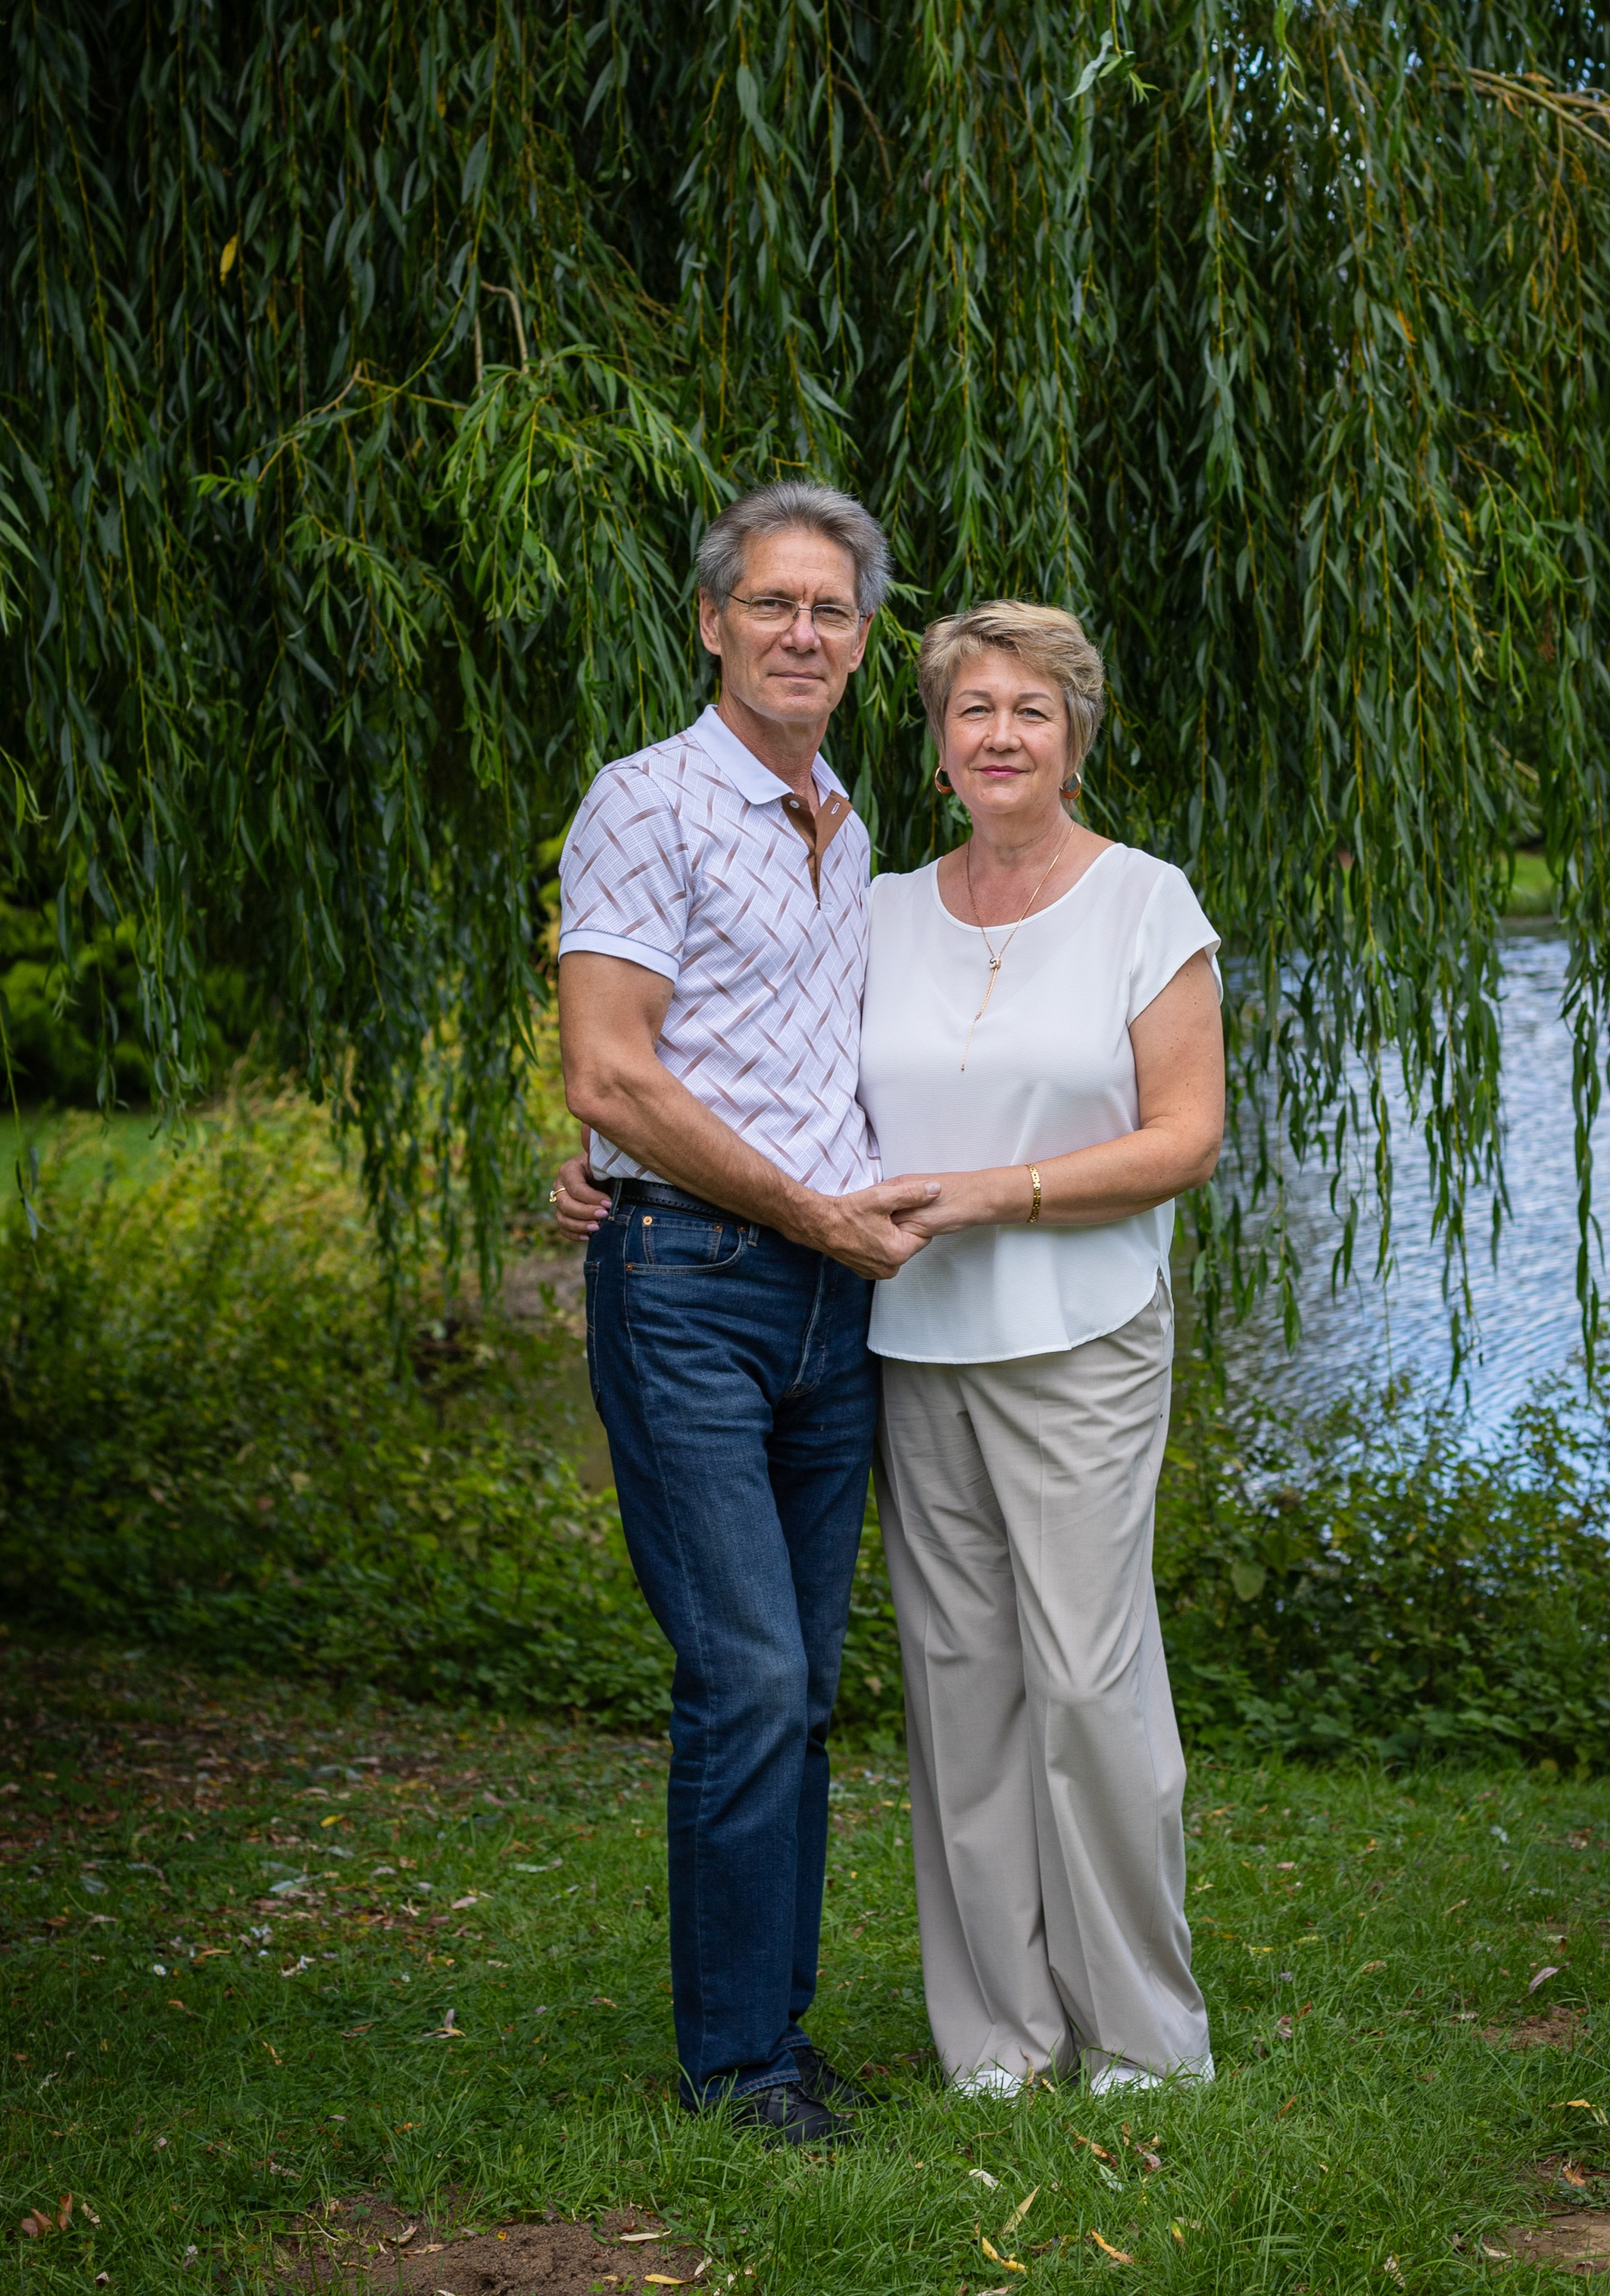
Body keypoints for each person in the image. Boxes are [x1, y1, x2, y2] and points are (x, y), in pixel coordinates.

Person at [554, 478, 938, 2146]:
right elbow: (612, 1068)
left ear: (860, 644)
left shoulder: (846, 822)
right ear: (711, 621)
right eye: (770, 604)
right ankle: (734, 2070)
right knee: (747, 1675)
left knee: (804, 1685)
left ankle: (772, 2035)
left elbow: (786, 1064)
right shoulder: (645, 800)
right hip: (697, 1291)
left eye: (830, 611)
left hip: (827, 1312)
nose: (801, 632)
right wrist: (756, 1201)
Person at [858, 601, 1225, 2093]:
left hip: (1080, 1333)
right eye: (972, 709)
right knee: (959, 1691)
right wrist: (610, 1171)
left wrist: (999, 1194)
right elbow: (759, 1084)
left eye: (1031, 708)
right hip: (914, 1341)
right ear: (937, 742)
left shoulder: (1143, 904)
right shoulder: (873, 909)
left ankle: (1139, 2035)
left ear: (1076, 732)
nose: (1000, 735)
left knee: (1085, 1682)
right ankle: (997, 2042)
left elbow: (1186, 1139)